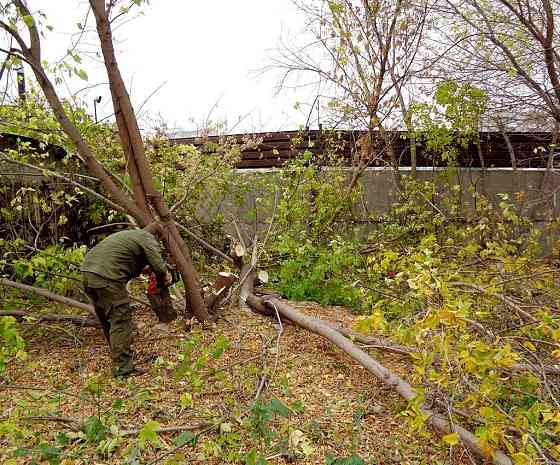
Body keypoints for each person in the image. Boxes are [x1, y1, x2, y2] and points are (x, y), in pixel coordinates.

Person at [81, 223, 172, 377]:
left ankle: (119, 358)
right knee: (121, 319)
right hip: (108, 277)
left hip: (88, 273)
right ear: (156, 236)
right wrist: (164, 278)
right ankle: (124, 369)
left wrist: (144, 268)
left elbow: (121, 259)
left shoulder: (128, 236)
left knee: (107, 320)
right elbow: (160, 267)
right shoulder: (147, 237)